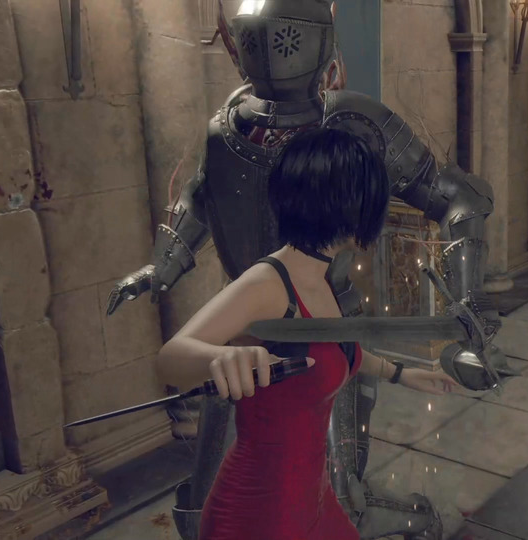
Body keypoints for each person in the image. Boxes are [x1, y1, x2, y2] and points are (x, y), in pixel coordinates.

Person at [156, 128, 459, 540]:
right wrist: (219, 358)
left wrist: (402, 373)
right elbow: (170, 358)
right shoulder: (267, 284)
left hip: (313, 501)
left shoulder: (319, 278)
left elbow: (335, 350)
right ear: (342, 206)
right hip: (258, 517)